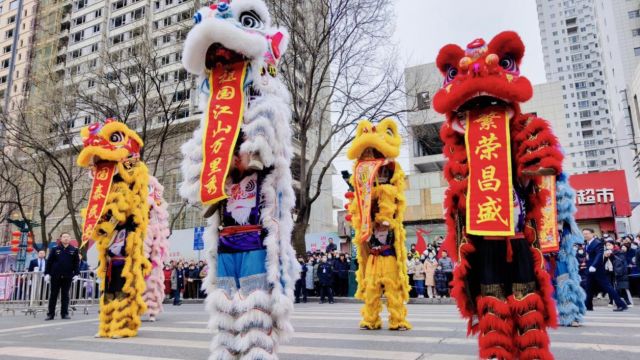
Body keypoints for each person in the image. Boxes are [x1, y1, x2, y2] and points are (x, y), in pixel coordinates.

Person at [584, 229, 627, 311]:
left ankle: (621, 304)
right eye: (584, 234)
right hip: (589, 269)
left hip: (597, 269)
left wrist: (594, 265)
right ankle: (588, 306)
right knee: (588, 287)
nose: (585, 235)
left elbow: (599, 255)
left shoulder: (597, 242)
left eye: (587, 233)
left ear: (593, 233)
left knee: (608, 287)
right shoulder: (586, 243)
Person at [44, 232, 80, 320]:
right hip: (55, 275)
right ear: (61, 239)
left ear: (70, 239)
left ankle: (64, 313)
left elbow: (76, 263)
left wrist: (76, 274)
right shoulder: (55, 249)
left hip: (67, 276)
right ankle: (50, 314)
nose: (66, 238)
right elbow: (49, 262)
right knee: (53, 295)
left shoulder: (74, 250)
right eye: (64, 237)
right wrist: (47, 273)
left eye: (68, 237)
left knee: (65, 295)